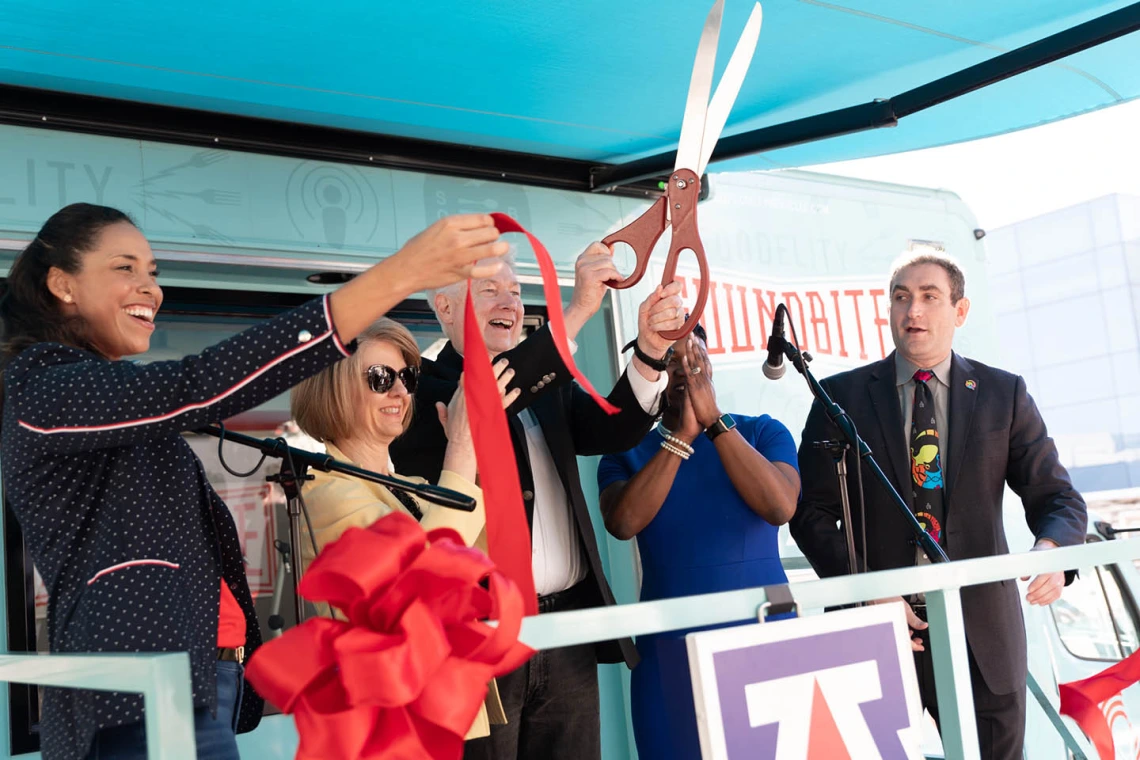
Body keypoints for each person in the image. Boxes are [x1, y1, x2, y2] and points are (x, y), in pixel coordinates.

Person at [0, 203, 508, 760]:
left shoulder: (114, 405)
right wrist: (402, 273)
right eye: (125, 268)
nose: (150, 287)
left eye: (153, 272)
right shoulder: (41, 389)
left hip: (200, 681)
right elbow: (201, 383)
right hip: (136, 693)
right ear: (61, 285)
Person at [390, 243, 684, 760]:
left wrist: (650, 352)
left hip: (566, 628)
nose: (510, 303)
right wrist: (576, 313)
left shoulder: (546, 382)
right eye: (489, 291)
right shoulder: (420, 393)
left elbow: (608, 427)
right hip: (479, 637)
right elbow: (489, 395)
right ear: (442, 307)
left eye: (516, 291)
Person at [790, 252, 1087, 759]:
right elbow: (809, 513)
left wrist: (1054, 550)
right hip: (874, 627)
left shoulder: (1003, 393)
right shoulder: (840, 398)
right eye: (902, 297)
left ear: (961, 310)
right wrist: (870, 589)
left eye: (929, 297)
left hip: (982, 637)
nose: (913, 311)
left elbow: (1056, 495)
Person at [289, 316, 517, 739]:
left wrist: (479, 451)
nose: (400, 391)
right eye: (379, 378)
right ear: (334, 389)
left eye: (406, 377)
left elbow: (489, 565)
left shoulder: (411, 488)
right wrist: (461, 450)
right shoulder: (325, 495)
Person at [596, 324, 800, 760]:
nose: (685, 372)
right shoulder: (624, 453)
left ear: (711, 368)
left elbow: (780, 507)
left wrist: (715, 425)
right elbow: (623, 523)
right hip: (671, 652)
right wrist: (682, 439)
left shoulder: (764, 432)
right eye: (670, 361)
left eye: (695, 360)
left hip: (764, 640)